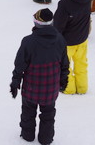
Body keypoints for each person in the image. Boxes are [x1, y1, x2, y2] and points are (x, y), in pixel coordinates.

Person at [10, 9, 68, 145]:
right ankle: (46, 139)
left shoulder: (28, 41)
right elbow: (64, 63)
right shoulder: (60, 39)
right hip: (51, 89)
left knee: (28, 112)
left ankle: (27, 136)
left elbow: (19, 65)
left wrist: (15, 82)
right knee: (48, 115)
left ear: (37, 23)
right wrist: (64, 80)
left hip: (31, 88)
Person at [54, 0, 91, 95]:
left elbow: (58, 25)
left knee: (65, 66)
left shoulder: (64, 4)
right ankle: (82, 87)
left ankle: (68, 88)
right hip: (82, 39)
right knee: (81, 63)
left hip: (67, 42)